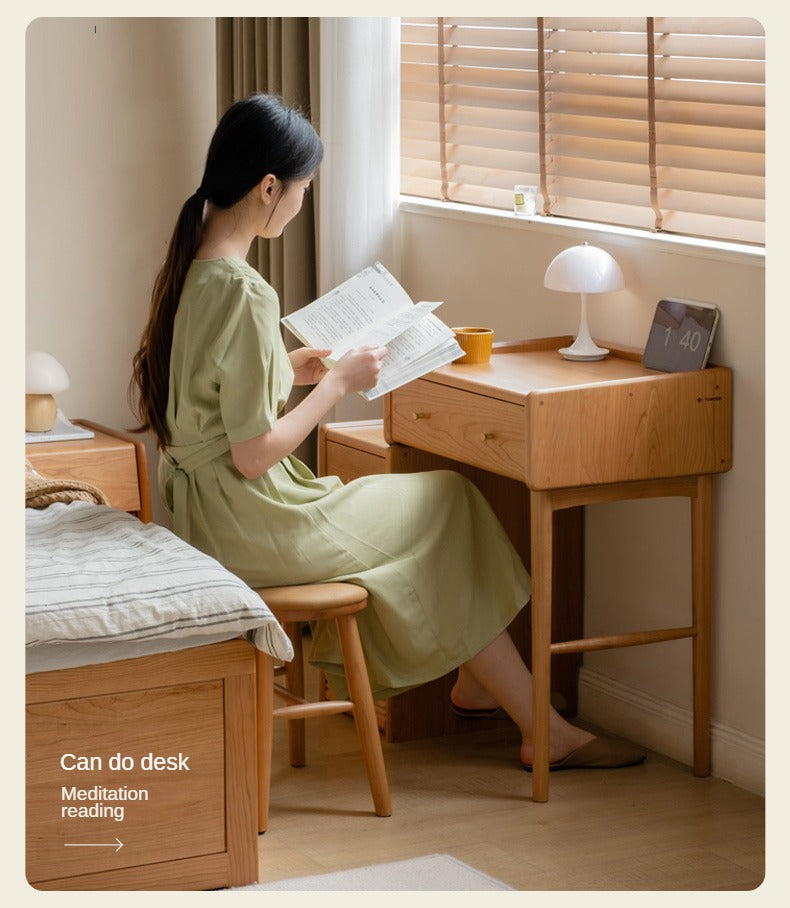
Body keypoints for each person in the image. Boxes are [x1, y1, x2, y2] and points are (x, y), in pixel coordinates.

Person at [130, 92, 645, 772]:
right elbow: (254, 454)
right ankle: (534, 723)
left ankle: (483, 689)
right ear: (268, 188)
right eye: (303, 190)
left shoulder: (194, 270)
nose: (301, 204)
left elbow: (209, 396)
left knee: (438, 507)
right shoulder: (248, 292)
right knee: (449, 498)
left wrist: (290, 369)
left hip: (209, 510)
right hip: (250, 515)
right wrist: (340, 387)